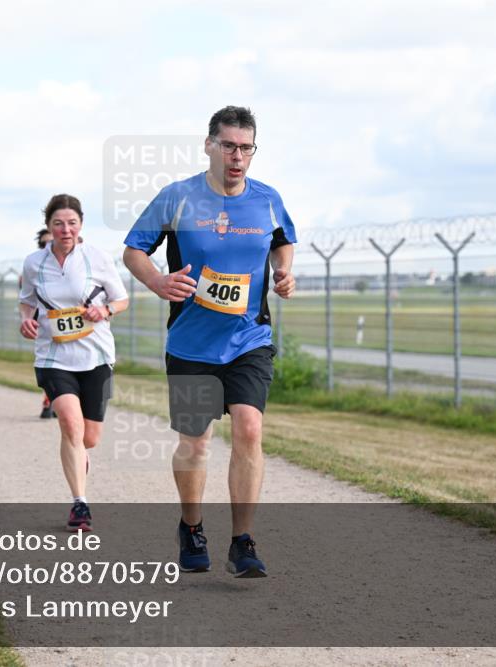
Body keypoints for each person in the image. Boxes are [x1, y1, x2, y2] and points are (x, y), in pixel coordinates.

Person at [122, 106, 296, 577]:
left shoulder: (267, 199)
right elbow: (134, 250)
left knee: (249, 429)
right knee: (195, 443)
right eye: (229, 146)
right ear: (209, 146)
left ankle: (243, 541)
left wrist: (283, 270)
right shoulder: (177, 197)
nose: (237, 156)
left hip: (248, 338)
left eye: (246, 148)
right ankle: (192, 526)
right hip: (192, 344)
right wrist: (157, 281)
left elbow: (283, 239)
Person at [19, 194, 129, 531]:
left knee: (88, 438)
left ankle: (79, 457)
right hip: (53, 356)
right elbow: (27, 301)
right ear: (48, 226)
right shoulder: (34, 263)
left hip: (96, 355)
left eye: (71, 223)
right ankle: (80, 503)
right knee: (70, 423)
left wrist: (105, 310)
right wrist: (26, 320)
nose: (65, 230)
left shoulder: (97, 257)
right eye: (58, 224)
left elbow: (121, 299)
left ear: (81, 225)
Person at [34, 227, 56, 419]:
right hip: (46, 323)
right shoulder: (33, 268)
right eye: (43, 244)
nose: (48, 246)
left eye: (51, 242)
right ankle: (49, 398)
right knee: (51, 361)